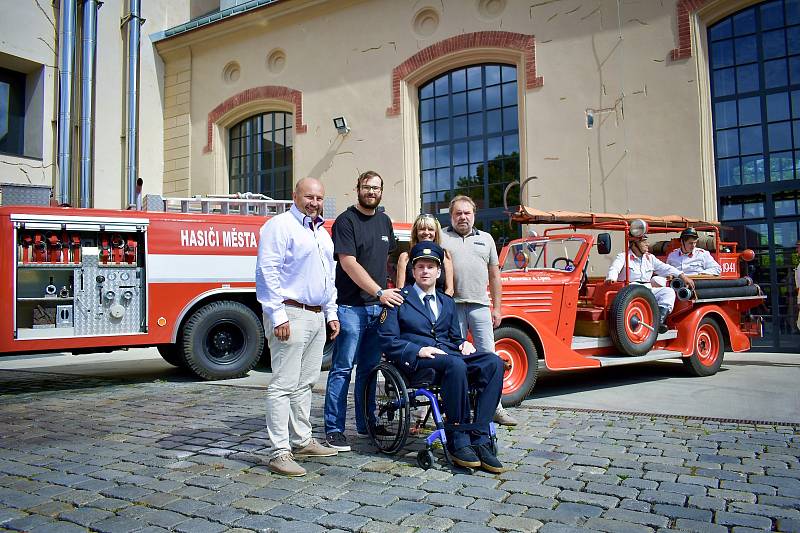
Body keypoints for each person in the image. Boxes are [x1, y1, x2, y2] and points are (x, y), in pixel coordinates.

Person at [378, 242, 505, 472]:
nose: (425, 271)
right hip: (418, 363)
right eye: (420, 267)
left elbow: (454, 337)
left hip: (449, 357)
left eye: (430, 267)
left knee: (493, 362)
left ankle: (480, 435)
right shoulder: (399, 299)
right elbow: (387, 340)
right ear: (413, 271)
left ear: (439, 272)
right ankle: (458, 437)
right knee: (455, 364)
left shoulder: (446, 301)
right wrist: (418, 350)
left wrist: (463, 343)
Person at [256, 177, 340, 477]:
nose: (314, 202)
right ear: (294, 196)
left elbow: (329, 277)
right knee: (283, 385)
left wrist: (331, 313)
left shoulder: (322, 234)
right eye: (309, 196)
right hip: (291, 313)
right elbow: (268, 272)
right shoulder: (279, 226)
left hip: (316, 316)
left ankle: (302, 440)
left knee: (305, 384)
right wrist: (277, 316)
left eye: (319, 197)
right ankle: (280, 451)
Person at [323, 170, 404, 452]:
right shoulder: (346, 221)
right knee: (342, 369)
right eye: (367, 187)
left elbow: (388, 260)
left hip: (377, 310)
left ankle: (367, 422)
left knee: (370, 371)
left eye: (376, 188)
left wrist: (395, 289)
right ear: (357, 188)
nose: (371, 191)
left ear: (382, 192)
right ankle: (334, 429)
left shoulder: (384, 221)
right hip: (351, 309)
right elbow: (349, 263)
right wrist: (380, 292)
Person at [440, 195, 517, 426]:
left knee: (490, 359)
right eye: (458, 213)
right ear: (451, 216)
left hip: (481, 307)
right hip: (452, 308)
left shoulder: (487, 239)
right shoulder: (441, 238)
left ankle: (496, 408)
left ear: (474, 215)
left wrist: (497, 307)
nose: (462, 217)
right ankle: (453, 410)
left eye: (467, 213)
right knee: (454, 359)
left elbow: (495, 275)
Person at [606, 231, 695, 333]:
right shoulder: (623, 256)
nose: (647, 244)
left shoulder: (650, 258)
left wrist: (681, 275)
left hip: (647, 290)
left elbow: (665, 268)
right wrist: (611, 279)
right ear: (634, 244)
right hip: (631, 292)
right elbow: (614, 268)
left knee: (668, 292)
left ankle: (658, 322)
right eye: (643, 241)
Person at [396, 214, 454, 295]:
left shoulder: (445, 256)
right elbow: (400, 289)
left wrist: (442, 305)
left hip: (438, 305)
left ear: (436, 232)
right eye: (422, 229)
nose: (426, 233)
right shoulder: (405, 257)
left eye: (430, 229)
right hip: (412, 305)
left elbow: (450, 289)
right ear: (416, 232)